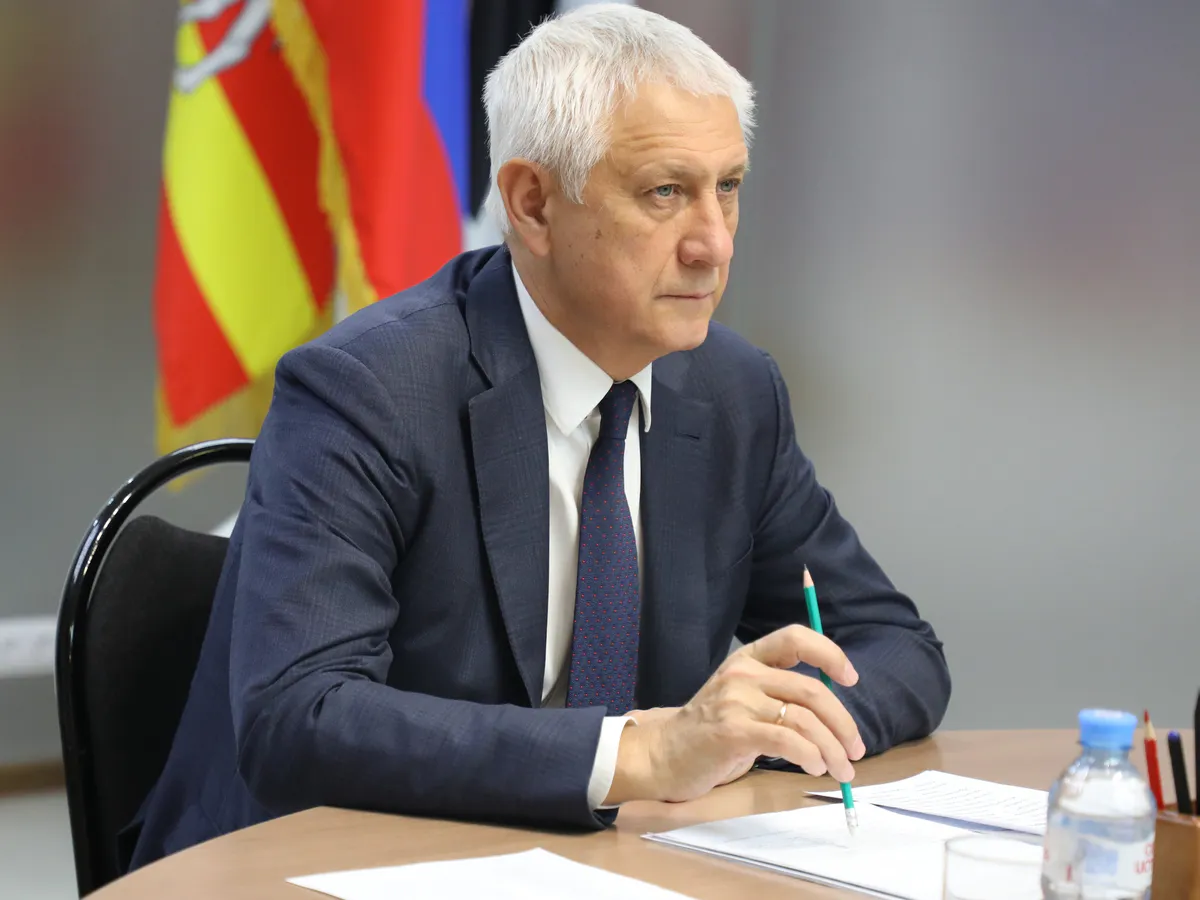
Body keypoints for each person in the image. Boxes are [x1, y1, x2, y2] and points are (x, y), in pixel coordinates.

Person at [123, 3, 951, 872]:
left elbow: (895, 649)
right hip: (320, 865)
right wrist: (641, 755)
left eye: (729, 187)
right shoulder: (368, 390)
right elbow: (301, 717)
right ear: (533, 205)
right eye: (666, 193)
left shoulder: (734, 392)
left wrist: (757, 732)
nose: (713, 244)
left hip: (599, 864)